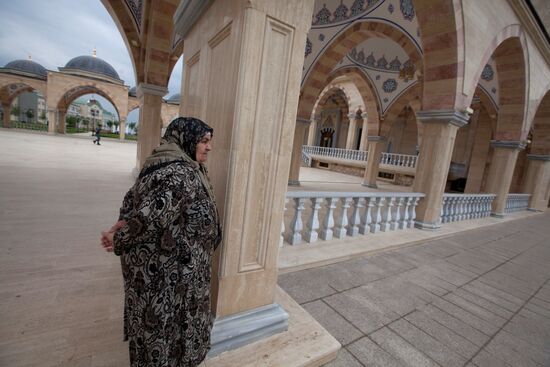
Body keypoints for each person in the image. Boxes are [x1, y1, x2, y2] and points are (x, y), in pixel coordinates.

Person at [101, 117, 222, 366]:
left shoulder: (177, 165)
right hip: (168, 274)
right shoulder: (179, 173)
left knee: (172, 330)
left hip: (180, 270)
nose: (208, 147)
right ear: (185, 139)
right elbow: (149, 219)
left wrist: (121, 224)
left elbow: (132, 201)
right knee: (164, 330)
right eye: (203, 141)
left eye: (209, 141)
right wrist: (120, 238)